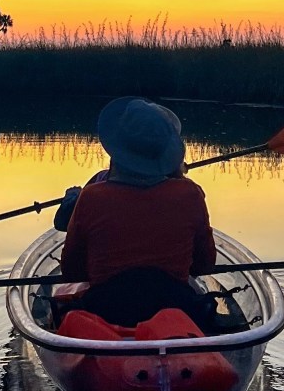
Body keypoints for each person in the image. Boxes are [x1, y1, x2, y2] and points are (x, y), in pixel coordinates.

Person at [57, 96, 217, 328]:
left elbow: (72, 272)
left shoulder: (91, 197)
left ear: (116, 149)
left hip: (107, 313)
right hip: (177, 311)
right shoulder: (190, 194)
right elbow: (205, 266)